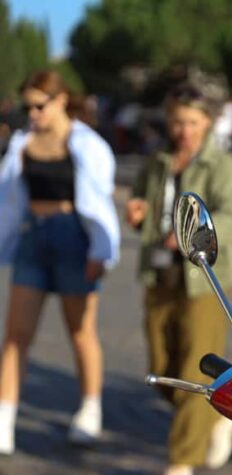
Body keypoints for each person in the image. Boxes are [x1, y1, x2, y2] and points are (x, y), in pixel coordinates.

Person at [126, 83, 232, 475]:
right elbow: (143, 200)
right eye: (178, 121)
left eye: (193, 122)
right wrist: (137, 211)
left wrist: (197, 238)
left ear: (207, 123)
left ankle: (180, 465)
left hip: (203, 281)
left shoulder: (219, 163)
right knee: (163, 368)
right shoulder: (159, 159)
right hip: (159, 278)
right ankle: (215, 418)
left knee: (194, 372)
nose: (184, 130)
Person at [0, 69, 119, 455]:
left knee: (80, 331)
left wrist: (101, 250)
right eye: (28, 107)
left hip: (74, 238)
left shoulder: (87, 144)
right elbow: (9, 199)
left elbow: (100, 202)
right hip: (33, 237)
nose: (33, 114)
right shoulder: (22, 143)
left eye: (39, 106)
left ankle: (90, 409)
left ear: (61, 100)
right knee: (16, 334)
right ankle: (4, 418)